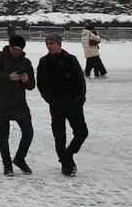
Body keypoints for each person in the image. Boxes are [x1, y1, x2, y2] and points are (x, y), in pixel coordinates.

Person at [36, 34, 88, 176]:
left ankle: (67, 155)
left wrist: (81, 97)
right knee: (59, 136)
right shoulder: (44, 62)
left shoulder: (70, 59)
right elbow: (41, 83)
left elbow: (80, 80)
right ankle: (67, 165)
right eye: (46, 43)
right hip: (57, 104)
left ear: (59, 44)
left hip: (74, 103)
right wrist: (50, 100)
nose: (48, 45)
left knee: (82, 132)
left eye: (51, 43)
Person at [0, 35, 36, 176]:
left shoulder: (26, 62)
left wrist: (26, 80)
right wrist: (8, 77)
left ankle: (20, 158)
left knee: (28, 132)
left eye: (19, 49)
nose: (16, 52)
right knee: (4, 135)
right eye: (14, 48)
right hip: (2, 101)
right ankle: (7, 165)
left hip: (19, 102)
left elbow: (32, 86)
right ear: (10, 46)